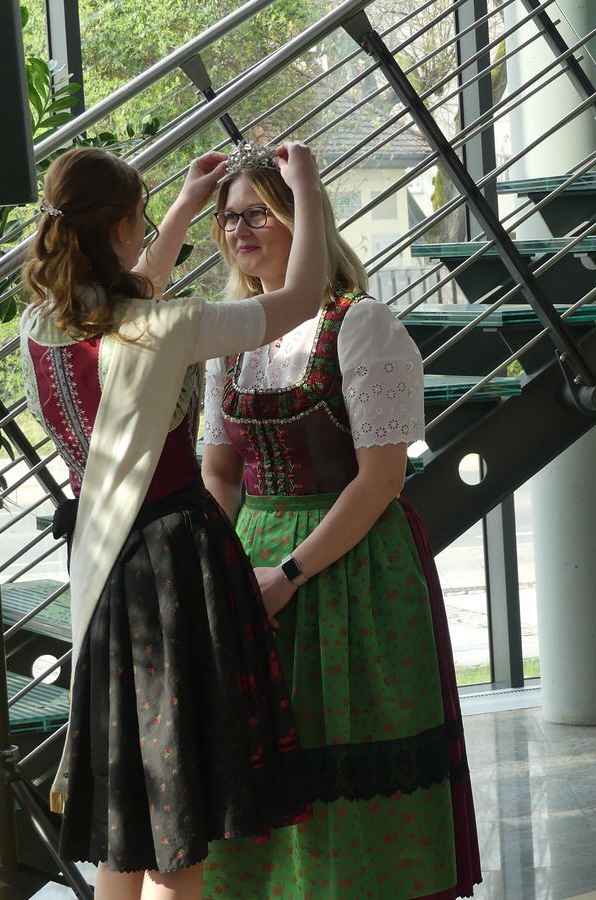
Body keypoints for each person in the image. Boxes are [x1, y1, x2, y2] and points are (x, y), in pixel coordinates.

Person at [19, 142, 327, 900]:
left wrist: (186, 205)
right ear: (122, 228)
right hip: (173, 571)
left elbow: (127, 305)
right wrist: (307, 192)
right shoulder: (165, 328)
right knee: (176, 818)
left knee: (129, 817)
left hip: (103, 572)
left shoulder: (38, 329)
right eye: (145, 217)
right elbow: (302, 296)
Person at [199, 142, 481, 900]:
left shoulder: (361, 324)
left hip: (351, 563)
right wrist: (225, 569)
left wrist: (290, 573)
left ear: (304, 218)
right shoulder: (231, 337)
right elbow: (220, 473)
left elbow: (381, 478)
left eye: (258, 212)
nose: (238, 230)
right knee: (263, 750)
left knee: (348, 739)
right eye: (229, 217)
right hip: (252, 563)